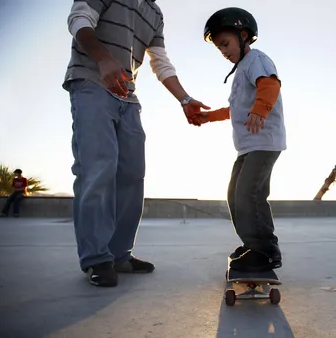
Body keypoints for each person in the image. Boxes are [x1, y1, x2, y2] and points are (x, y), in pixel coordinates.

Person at [63, 0, 209, 287]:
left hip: (127, 95)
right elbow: (79, 20)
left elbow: (159, 62)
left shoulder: (154, 13)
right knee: (97, 169)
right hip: (91, 83)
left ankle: (119, 254)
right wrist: (104, 59)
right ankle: (96, 258)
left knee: (132, 174)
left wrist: (185, 99)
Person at [198, 7, 287, 272]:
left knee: (250, 193)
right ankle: (252, 244)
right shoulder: (240, 71)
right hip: (247, 147)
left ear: (244, 35)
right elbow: (234, 110)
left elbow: (270, 85)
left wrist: (260, 110)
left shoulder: (257, 60)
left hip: (264, 142)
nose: (223, 51)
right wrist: (208, 117)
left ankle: (266, 251)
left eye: (225, 43)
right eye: (219, 48)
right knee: (234, 195)